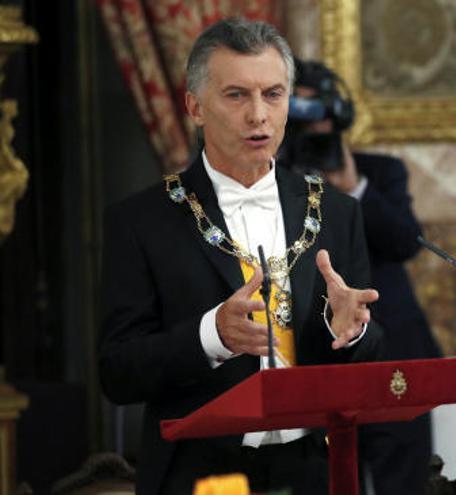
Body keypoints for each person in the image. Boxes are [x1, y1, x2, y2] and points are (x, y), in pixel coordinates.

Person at [98, 18, 382, 495]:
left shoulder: (336, 212)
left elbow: (368, 362)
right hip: (200, 472)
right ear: (195, 107)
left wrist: (348, 332)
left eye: (273, 94)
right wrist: (211, 335)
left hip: (314, 469)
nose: (258, 115)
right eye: (236, 95)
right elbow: (117, 372)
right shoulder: (141, 221)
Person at [281, 59, 442, 495]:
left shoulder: (381, 171)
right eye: (300, 114)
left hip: (395, 352)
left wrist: (353, 187)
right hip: (314, 357)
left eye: (321, 113)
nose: (314, 128)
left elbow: (407, 241)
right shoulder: (273, 182)